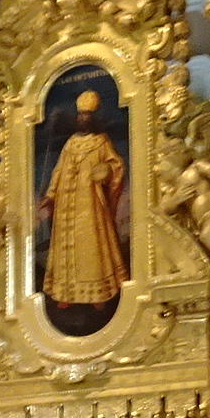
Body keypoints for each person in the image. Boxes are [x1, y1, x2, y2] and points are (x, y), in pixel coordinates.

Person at [37, 88, 128, 331]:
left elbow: (116, 165)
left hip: (90, 206)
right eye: (80, 115)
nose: (82, 119)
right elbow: (58, 171)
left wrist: (106, 171)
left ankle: (97, 295)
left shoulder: (101, 142)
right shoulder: (70, 144)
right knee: (66, 249)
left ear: (93, 118)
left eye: (87, 115)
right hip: (66, 207)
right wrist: (50, 194)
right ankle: (66, 294)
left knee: (91, 247)